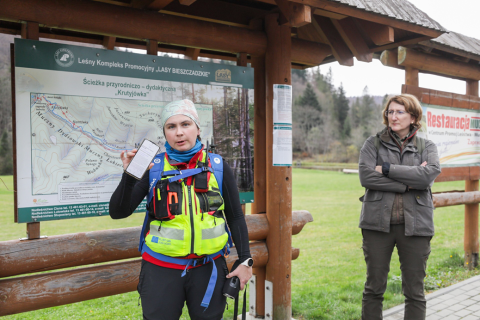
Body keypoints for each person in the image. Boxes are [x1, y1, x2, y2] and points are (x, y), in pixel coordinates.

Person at [109, 99, 253, 320]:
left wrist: (245, 260)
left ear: (197, 128)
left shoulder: (217, 165)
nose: (179, 132)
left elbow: (235, 216)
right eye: (171, 126)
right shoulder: (153, 167)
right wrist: (129, 176)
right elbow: (118, 212)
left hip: (209, 268)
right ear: (165, 132)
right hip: (160, 269)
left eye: (185, 124)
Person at [358, 94, 441, 320]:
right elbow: (366, 177)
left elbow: (426, 178)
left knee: (415, 292)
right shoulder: (372, 143)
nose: (393, 116)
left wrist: (385, 168)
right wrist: (407, 185)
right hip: (376, 225)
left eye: (399, 112)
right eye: (390, 112)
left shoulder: (427, 146)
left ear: (413, 116)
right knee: (374, 288)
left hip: (416, 227)